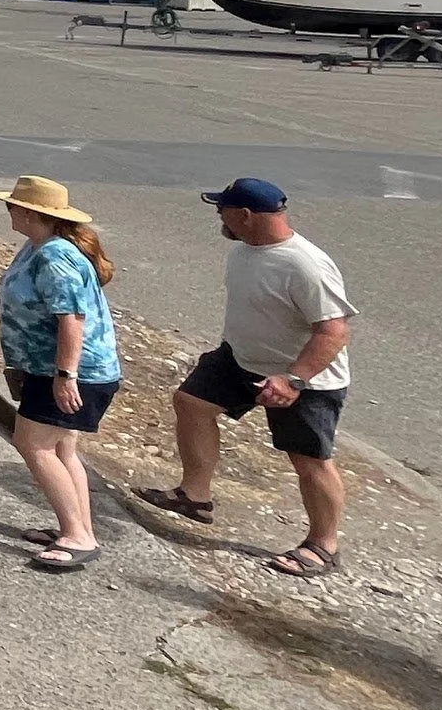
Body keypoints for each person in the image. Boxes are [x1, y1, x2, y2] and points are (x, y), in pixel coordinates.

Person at [137, 178, 357, 579]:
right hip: (239, 359)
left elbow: (334, 331)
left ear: (246, 215)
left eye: (222, 210)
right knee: (191, 403)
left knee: (309, 460)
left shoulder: (305, 265)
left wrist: (294, 380)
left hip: (302, 377)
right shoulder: (243, 251)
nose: (218, 217)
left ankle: (324, 544)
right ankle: (194, 496)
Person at [0, 175, 121, 573]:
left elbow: (72, 319)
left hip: (70, 371)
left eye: (12, 205)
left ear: (29, 213)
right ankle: (78, 526)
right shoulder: (38, 248)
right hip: (50, 367)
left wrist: (66, 375)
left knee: (33, 443)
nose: (8, 211)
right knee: (62, 449)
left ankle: (77, 536)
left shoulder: (54, 256)